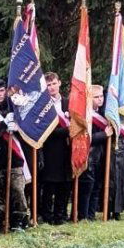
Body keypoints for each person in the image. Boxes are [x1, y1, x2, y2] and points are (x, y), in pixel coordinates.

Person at [0, 79, 30, 231]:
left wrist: (19, 128)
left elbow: (29, 131)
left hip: (14, 157)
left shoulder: (14, 108)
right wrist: (4, 124)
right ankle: (2, 223)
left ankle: (20, 221)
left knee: (18, 191)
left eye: (1, 91)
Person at [40, 72, 71, 224]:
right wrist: (68, 130)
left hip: (67, 150)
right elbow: (46, 130)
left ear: (59, 83)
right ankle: (47, 216)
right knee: (49, 185)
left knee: (65, 185)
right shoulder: (43, 105)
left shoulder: (69, 103)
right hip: (50, 149)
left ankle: (61, 215)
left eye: (53, 83)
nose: (51, 87)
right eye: (48, 85)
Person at [77, 86, 112, 220]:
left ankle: (91, 216)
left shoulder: (104, 114)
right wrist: (104, 134)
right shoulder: (84, 114)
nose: (100, 99)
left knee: (97, 186)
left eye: (101, 96)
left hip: (100, 155)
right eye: (96, 97)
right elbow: (84, 137)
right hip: (88, 156)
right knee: (87, 188)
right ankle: (82, 215)